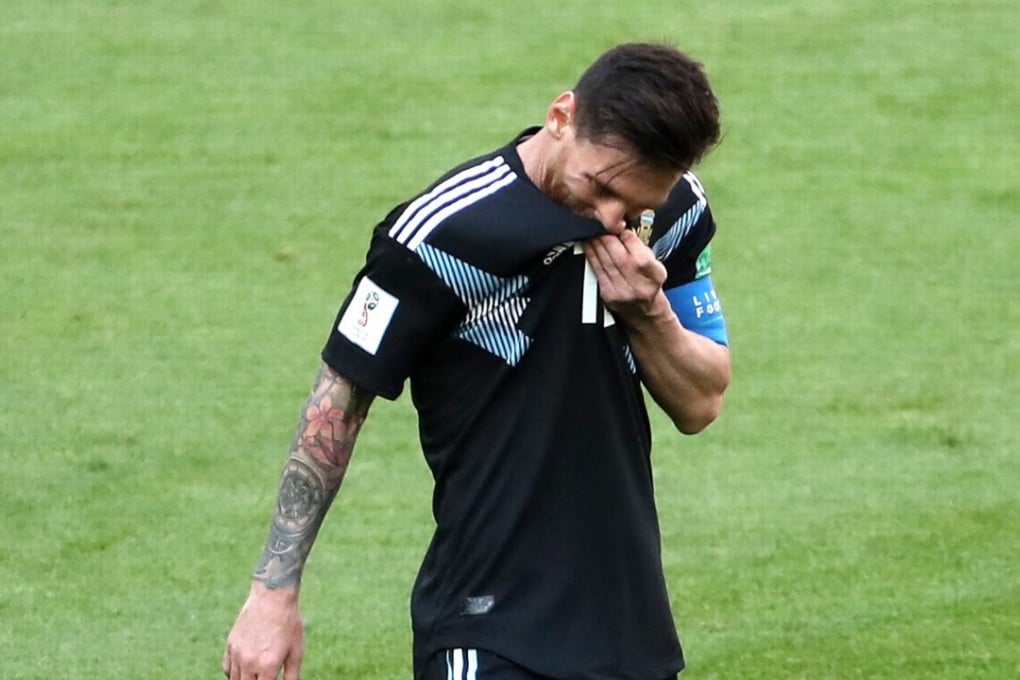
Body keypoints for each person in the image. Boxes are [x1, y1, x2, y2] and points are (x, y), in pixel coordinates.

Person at [223, 42, 731, 680]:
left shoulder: (679, 210)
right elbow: (337, 405)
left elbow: (702, 400)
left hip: (630, 631)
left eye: (635, 208)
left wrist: (649, 312)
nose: (611, 219)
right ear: (562, 117)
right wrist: (272, 595)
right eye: (600, 187)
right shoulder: (440, 234)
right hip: (487, 626)